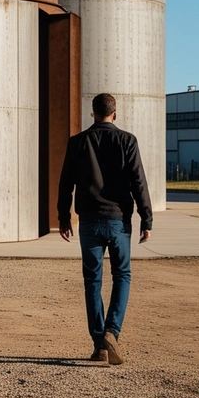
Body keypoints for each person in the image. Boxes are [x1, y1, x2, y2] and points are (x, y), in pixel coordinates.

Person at [57, 92, 152, 365]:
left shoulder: (77, 142)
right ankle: (112, 332)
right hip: (118, 220)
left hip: (89, 221)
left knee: (92, 281)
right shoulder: (127, 140)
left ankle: (100, 344)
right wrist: (147, 219)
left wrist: (63, 218)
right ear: (115, 113)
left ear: (92, 113)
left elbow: (66, 184)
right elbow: (139, 182)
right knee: (122, 275)